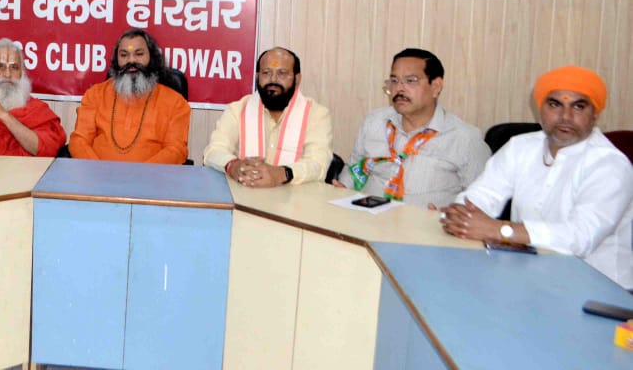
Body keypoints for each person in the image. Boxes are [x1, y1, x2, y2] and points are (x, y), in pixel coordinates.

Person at [441, 65, 633, 289]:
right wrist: (461, 216)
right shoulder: (520, 147)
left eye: (578, 106)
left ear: (595, 113)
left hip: (597, 290)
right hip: (526, 276)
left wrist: (499, 230)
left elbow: (581, 238)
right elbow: (482, 195)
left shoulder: (610, 165)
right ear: (541, 108)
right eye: (555, 104)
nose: (565, 116)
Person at [336, 49, 490, 208]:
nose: (399, 89)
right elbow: (354, 167)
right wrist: (343, 189)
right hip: (365, 217)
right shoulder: (374, 121)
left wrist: (449, 216)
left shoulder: (465, 139)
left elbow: (483, 201)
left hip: (427, 222)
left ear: (436, 86)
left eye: (410, 81)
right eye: (394, 80)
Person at [203, 47, 333, 187]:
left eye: (282, 73)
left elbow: (318, 164)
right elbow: (213, 151)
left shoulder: (317, 115)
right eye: (266, 73)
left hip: (295, 199)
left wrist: (281, 174)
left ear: (297, 79)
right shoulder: (237, 110)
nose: (273, 80)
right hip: (244, 194)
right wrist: (233, 166)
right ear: (257, 77)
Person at [68, 28, 190, 164]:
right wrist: (98, 170)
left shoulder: (176, 103)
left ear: (152, 58)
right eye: (124, 55)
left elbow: (176, 150)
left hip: (151, 176)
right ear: (116, 60)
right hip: (97, 174)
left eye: (139, 54)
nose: (131, 60)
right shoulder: (95, 95)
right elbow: (79, 141)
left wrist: (141, 174)